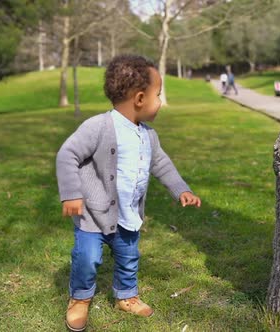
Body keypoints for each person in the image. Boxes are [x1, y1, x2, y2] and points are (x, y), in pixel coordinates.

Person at [56, 54, 201, 332]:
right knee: (87, 258)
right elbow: (67, 154)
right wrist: (71, 194)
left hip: (128, 215)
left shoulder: (149, 135)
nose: (160, 102)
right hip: (93, 216)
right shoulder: (98, 126)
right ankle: (80, 298)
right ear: (139, 99)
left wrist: (181, 189)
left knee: (128, 257)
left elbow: (161, 164)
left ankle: (126, 295)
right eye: (157, 95)